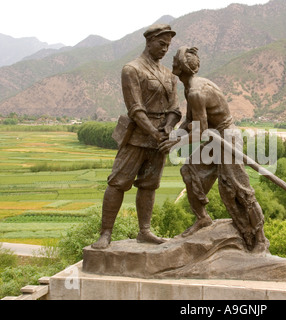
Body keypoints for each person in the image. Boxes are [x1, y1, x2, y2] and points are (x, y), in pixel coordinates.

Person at [160, 46, 269, 252]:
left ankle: (260, 239)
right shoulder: (190, 87)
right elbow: (191, 121)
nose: (171, 62)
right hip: (215, 140)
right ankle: (202, 219)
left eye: (175, 59)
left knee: (239, 191)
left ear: (180, 67)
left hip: (226, 140)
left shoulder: (195, 91)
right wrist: (173, 135)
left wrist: (175, 142)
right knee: (188, 171)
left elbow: (200, 130)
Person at [92, 24, 181, 249]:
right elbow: (135, 108)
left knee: (149, 185)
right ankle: (106, 233)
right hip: (136, 137)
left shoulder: (169, 76)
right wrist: (153, 132)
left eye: (168, 46)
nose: (165, 49)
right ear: (149, 41)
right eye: (161, 44)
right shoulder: (132, 69)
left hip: (159, 139)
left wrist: (168, 130)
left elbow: (175, 109)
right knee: (118, 182)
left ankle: (145, 231)